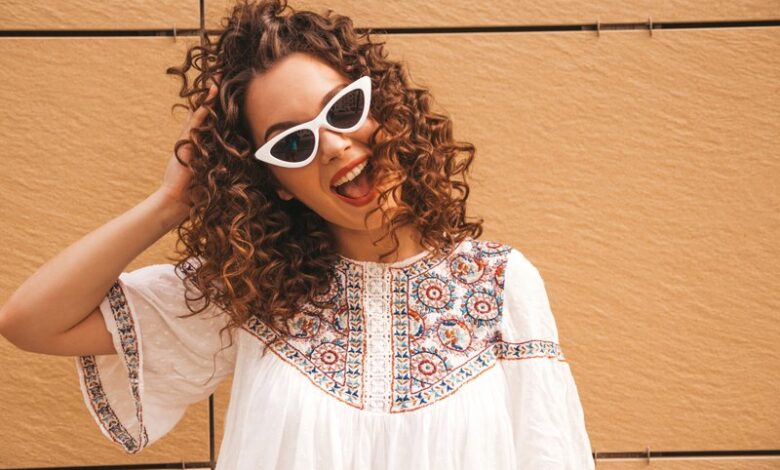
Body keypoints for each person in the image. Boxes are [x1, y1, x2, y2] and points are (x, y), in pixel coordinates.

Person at [0, 0, 596, 468]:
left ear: (384, 108)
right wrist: (168, 204)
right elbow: (31, 322)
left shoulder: (500, 283)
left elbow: (551, 453)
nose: (332, 145)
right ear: (277, 184)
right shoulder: (255, 293)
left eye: (343, 110)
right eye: (292, 143)